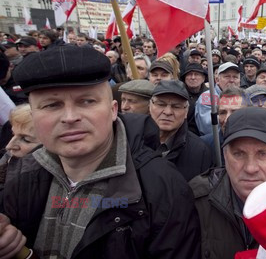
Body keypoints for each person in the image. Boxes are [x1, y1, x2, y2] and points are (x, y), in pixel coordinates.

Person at [1, 45, 201, 258]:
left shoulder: (164, 188)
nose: (70, 117)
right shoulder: (19, 174)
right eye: (51, 105)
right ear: (33, 115)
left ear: (114, 110)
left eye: (87, 101)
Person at [189, 107, 266, 259]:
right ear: (225, 156)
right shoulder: (197, 200)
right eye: (238, 154)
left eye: (263, 154)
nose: (250, 168)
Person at [150, 80, 213, 181]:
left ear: (186, 112)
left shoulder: (201, 152)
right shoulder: (134, 141)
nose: (167, 112)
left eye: (176, 107)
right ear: (150, 106)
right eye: (161, 104)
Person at [195, 62, 241, 136]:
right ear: (217, 80)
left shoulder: (244, 97)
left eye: (235, 77)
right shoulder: (207, 97)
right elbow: (208, 127)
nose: (232, 80)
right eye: (227, 77)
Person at [181, 63, 208, 135]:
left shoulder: (210, 95)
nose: (193, 77)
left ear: (203, 78)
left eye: (196, 74)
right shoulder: (179, 95)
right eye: (189, 74)